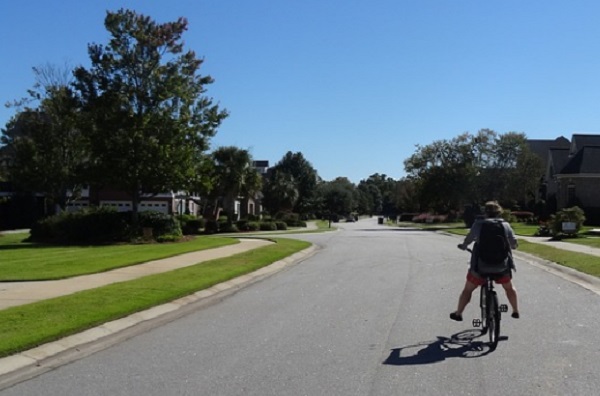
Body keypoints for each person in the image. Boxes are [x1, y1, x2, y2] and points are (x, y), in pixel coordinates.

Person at [451, 201, 519, 321]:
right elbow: (513, 243)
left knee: (468, 289)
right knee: (509, 288)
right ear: (499, 212)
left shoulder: (479, 224)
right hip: (501, 267)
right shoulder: (505, 225)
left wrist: (464, 245)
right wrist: (512, 246)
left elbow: (469, 238)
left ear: (485, 212)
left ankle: (459, 313)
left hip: (480, 267)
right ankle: (515, 310)